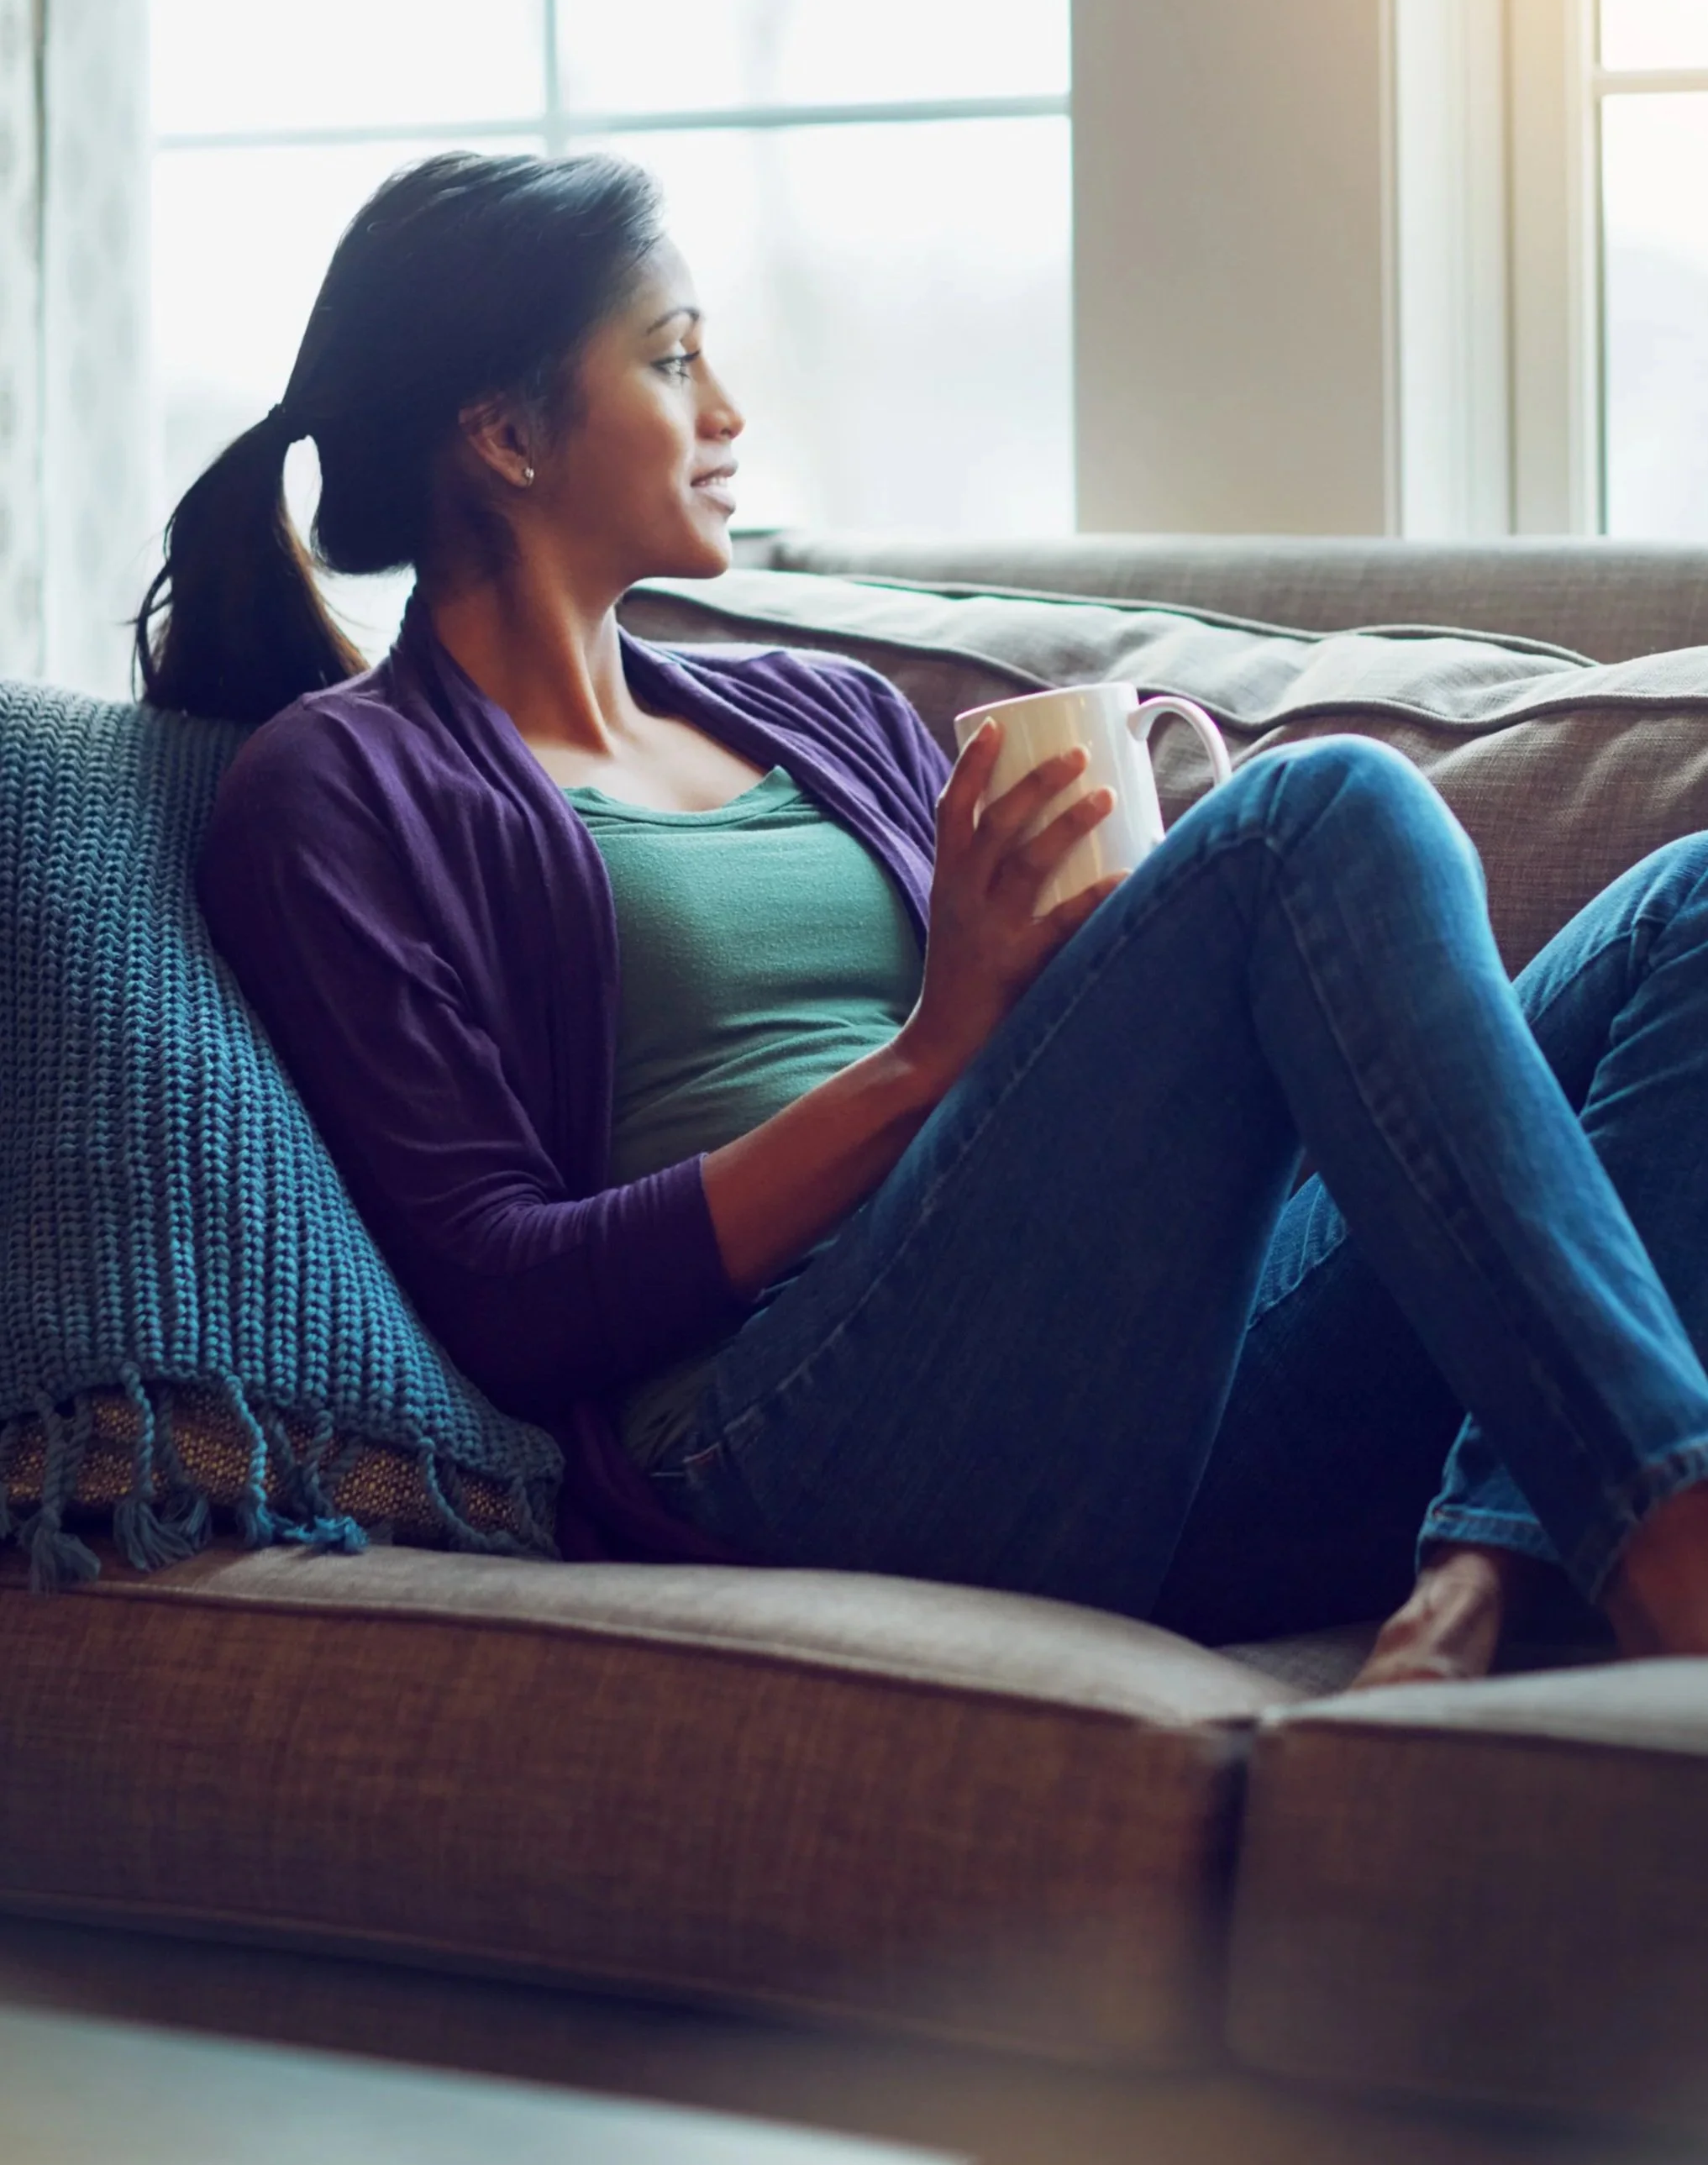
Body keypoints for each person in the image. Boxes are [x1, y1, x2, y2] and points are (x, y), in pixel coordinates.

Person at [136, 150, 1708, 1685]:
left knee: (1690, 905)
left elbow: (1078, 1115)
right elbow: (512, 1298)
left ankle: (1484, 1557)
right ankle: (1665, 1558)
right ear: (503, 431)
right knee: (1331, 807)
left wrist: (1100, 977)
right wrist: (930, 1054)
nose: (732, 414)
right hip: (789, 1432)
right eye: (675, 360)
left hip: (1138, 1397)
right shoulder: (338, 792)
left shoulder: (826, 712)